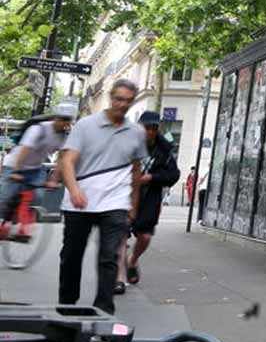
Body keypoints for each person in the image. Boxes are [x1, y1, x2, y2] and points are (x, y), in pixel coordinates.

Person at [58, 79, 148, 316]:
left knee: (109, 256)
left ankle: (104, 311)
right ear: (110, 97)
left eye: (128, 101)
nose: (122, 105)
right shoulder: (86, 126)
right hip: (81, 201)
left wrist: (133, 205)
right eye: (118, 99)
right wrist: (74, 189)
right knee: (71, 255)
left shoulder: (136, 132)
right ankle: (66, 306)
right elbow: (67, 160)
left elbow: (136, 171)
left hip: (114, 202)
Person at [115, 110, 180, 294]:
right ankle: (119, 278)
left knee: (145, 237)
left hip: (149, 199)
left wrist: (151, 177)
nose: (149, 132)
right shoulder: (128, 144)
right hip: (124, 195)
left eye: (153, 128)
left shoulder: (164, 150)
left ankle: (132, 260)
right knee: (120, 236)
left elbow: (173, 175)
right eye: (146, 128)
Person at [0, 103, 76, 237]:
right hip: (14, 164)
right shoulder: (38, 129)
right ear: (55, 118)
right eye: (62, 119)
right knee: (4, 198)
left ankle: (21, 228)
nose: (64, 123)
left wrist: (53, 179)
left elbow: (62, 159)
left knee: (37, 197)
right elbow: (24, 150)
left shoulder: (64, 136)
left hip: (35, 169)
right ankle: (4, 221)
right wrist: (16, 172)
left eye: (67, 120)